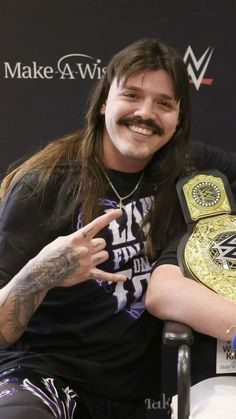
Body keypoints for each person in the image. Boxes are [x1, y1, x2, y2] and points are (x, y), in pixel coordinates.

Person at [0, 37, 236, 419]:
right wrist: (39, 273)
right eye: (132, 96)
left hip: (139, 396)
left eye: (164, 104)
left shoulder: (186, 166)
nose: (146, 113)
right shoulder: (44, 183)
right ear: (104, 102)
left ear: (178, 120)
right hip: (47, 379)